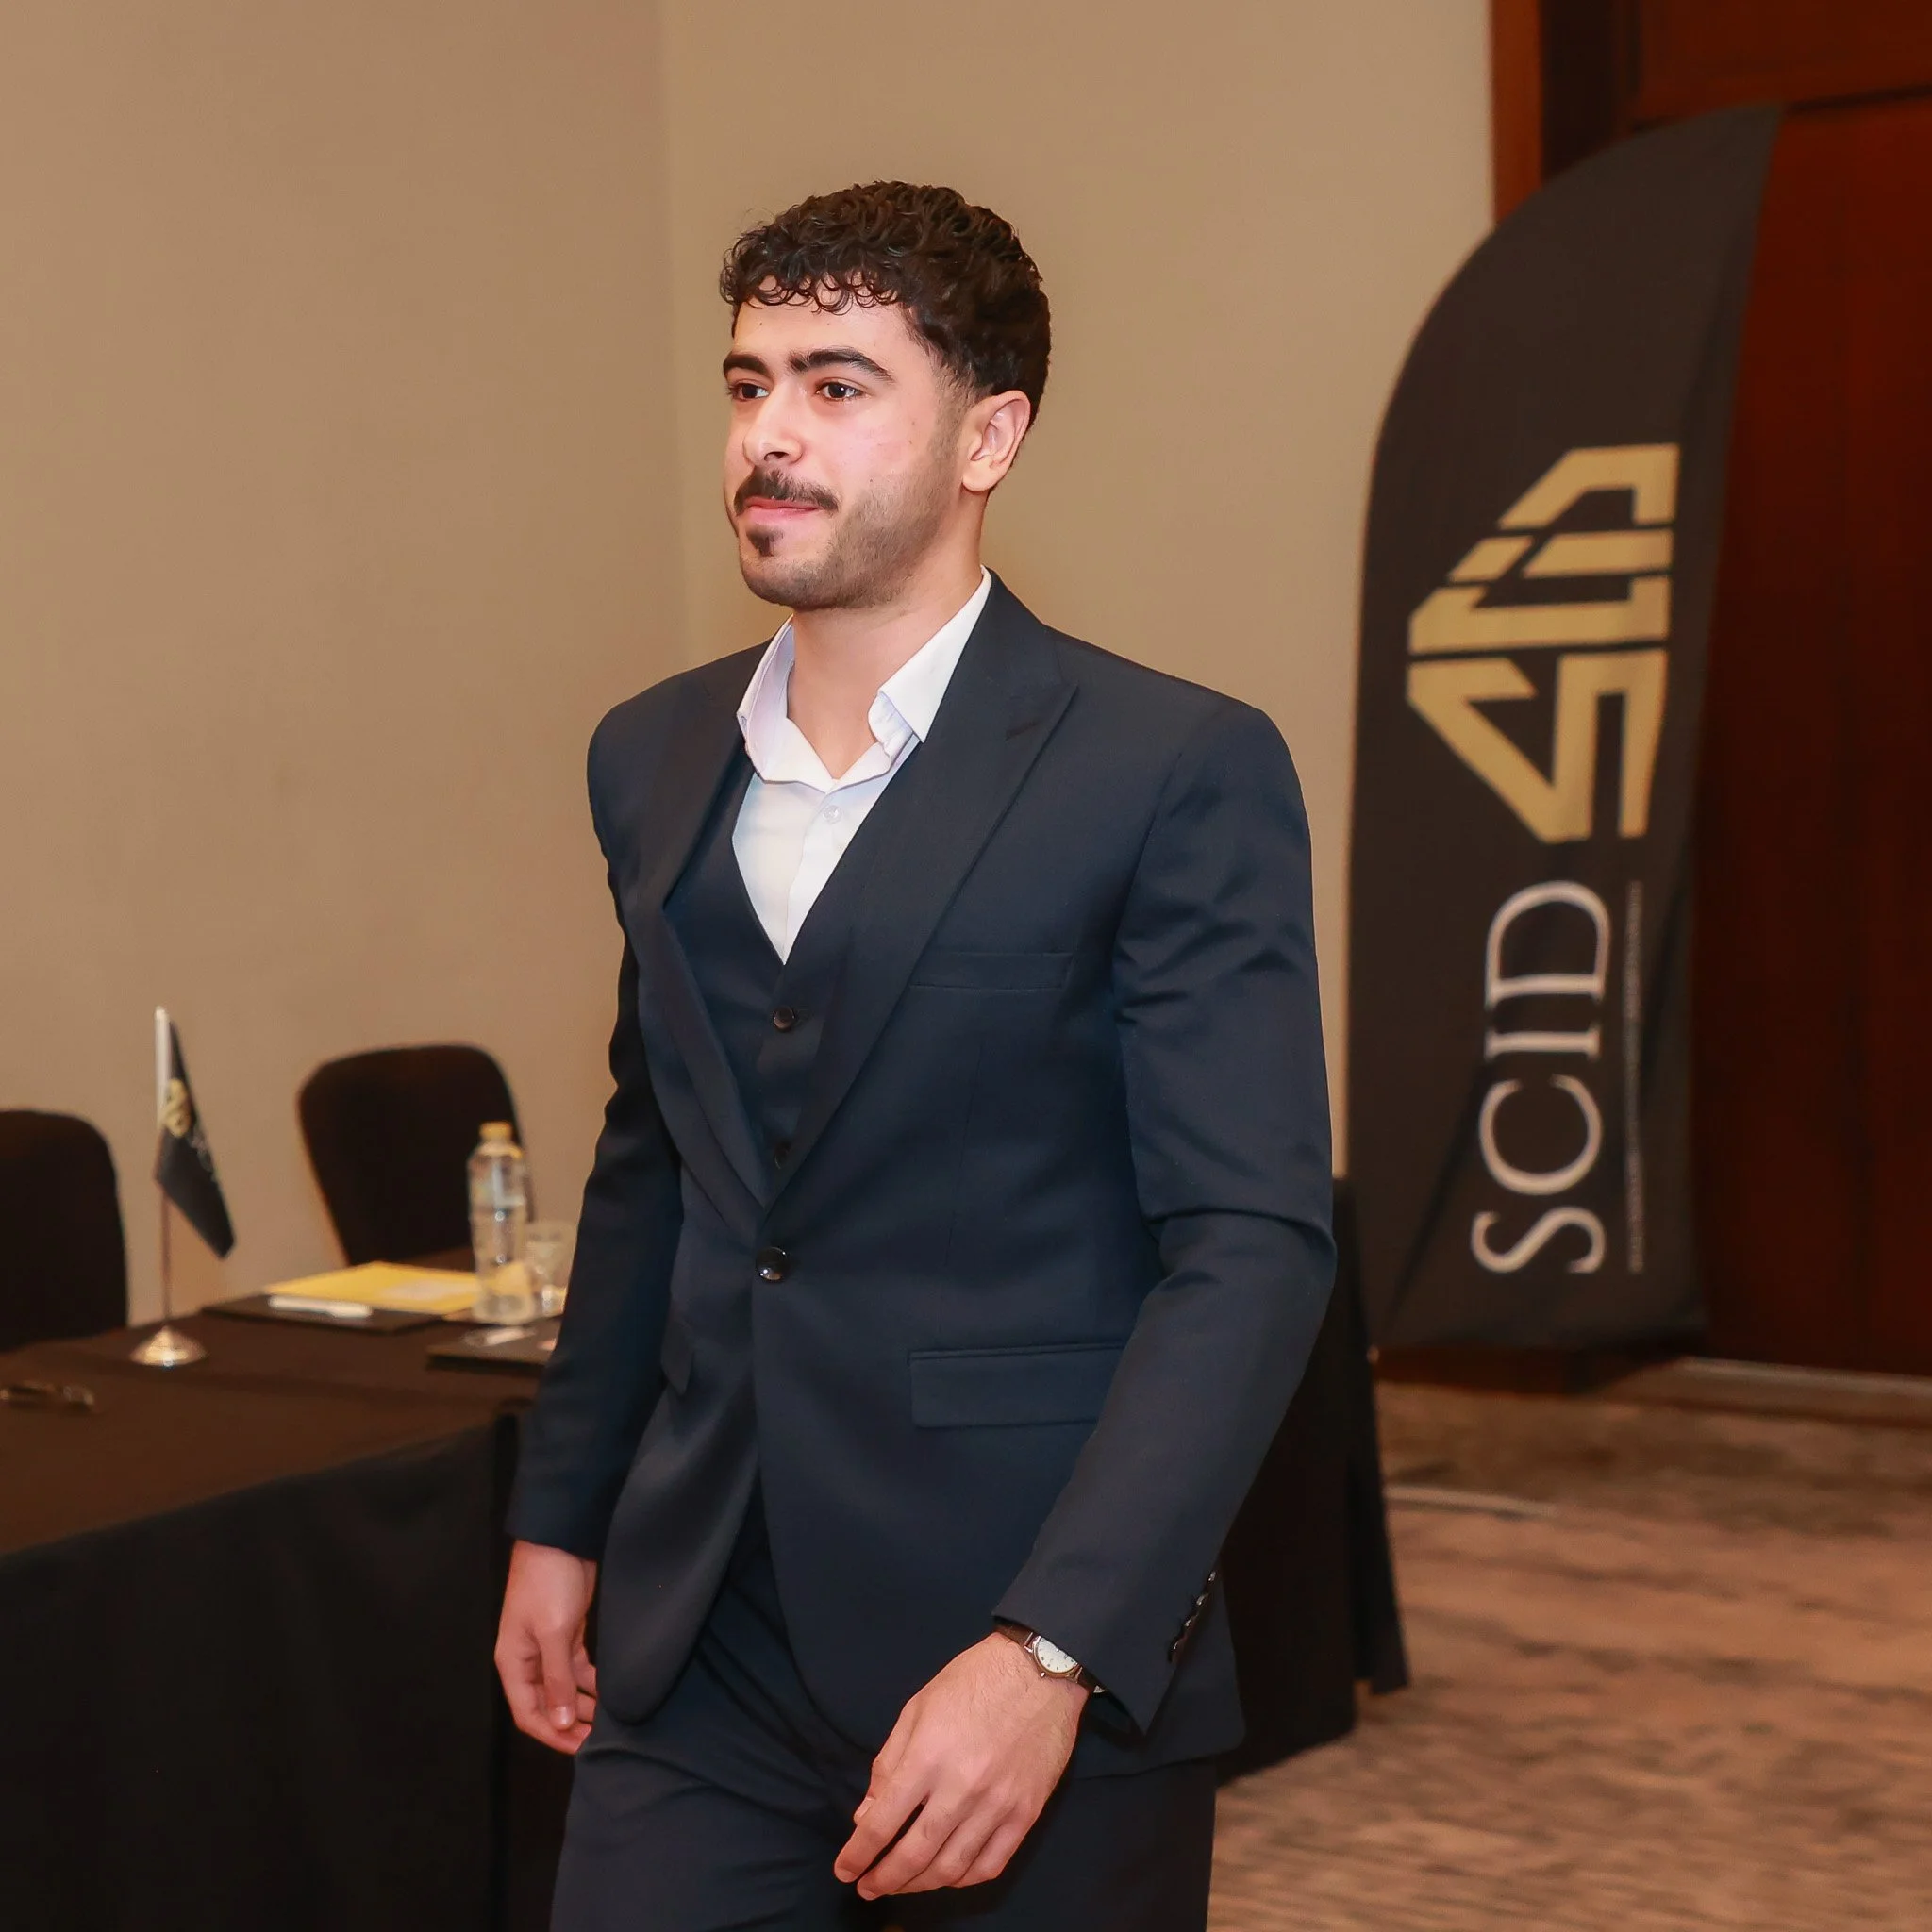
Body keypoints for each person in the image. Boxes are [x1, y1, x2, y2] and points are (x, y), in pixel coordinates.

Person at [495, 180, 1334, 1931]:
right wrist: (562, 1515)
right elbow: (656, 1158)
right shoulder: (646, 758)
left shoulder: (1170, 768)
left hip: (1018, 1641)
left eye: (837, 383)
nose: (770, 437)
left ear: (989, 436)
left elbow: (1248, 1249)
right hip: (699, 1640)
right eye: (748, 384)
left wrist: (1055, 1649)